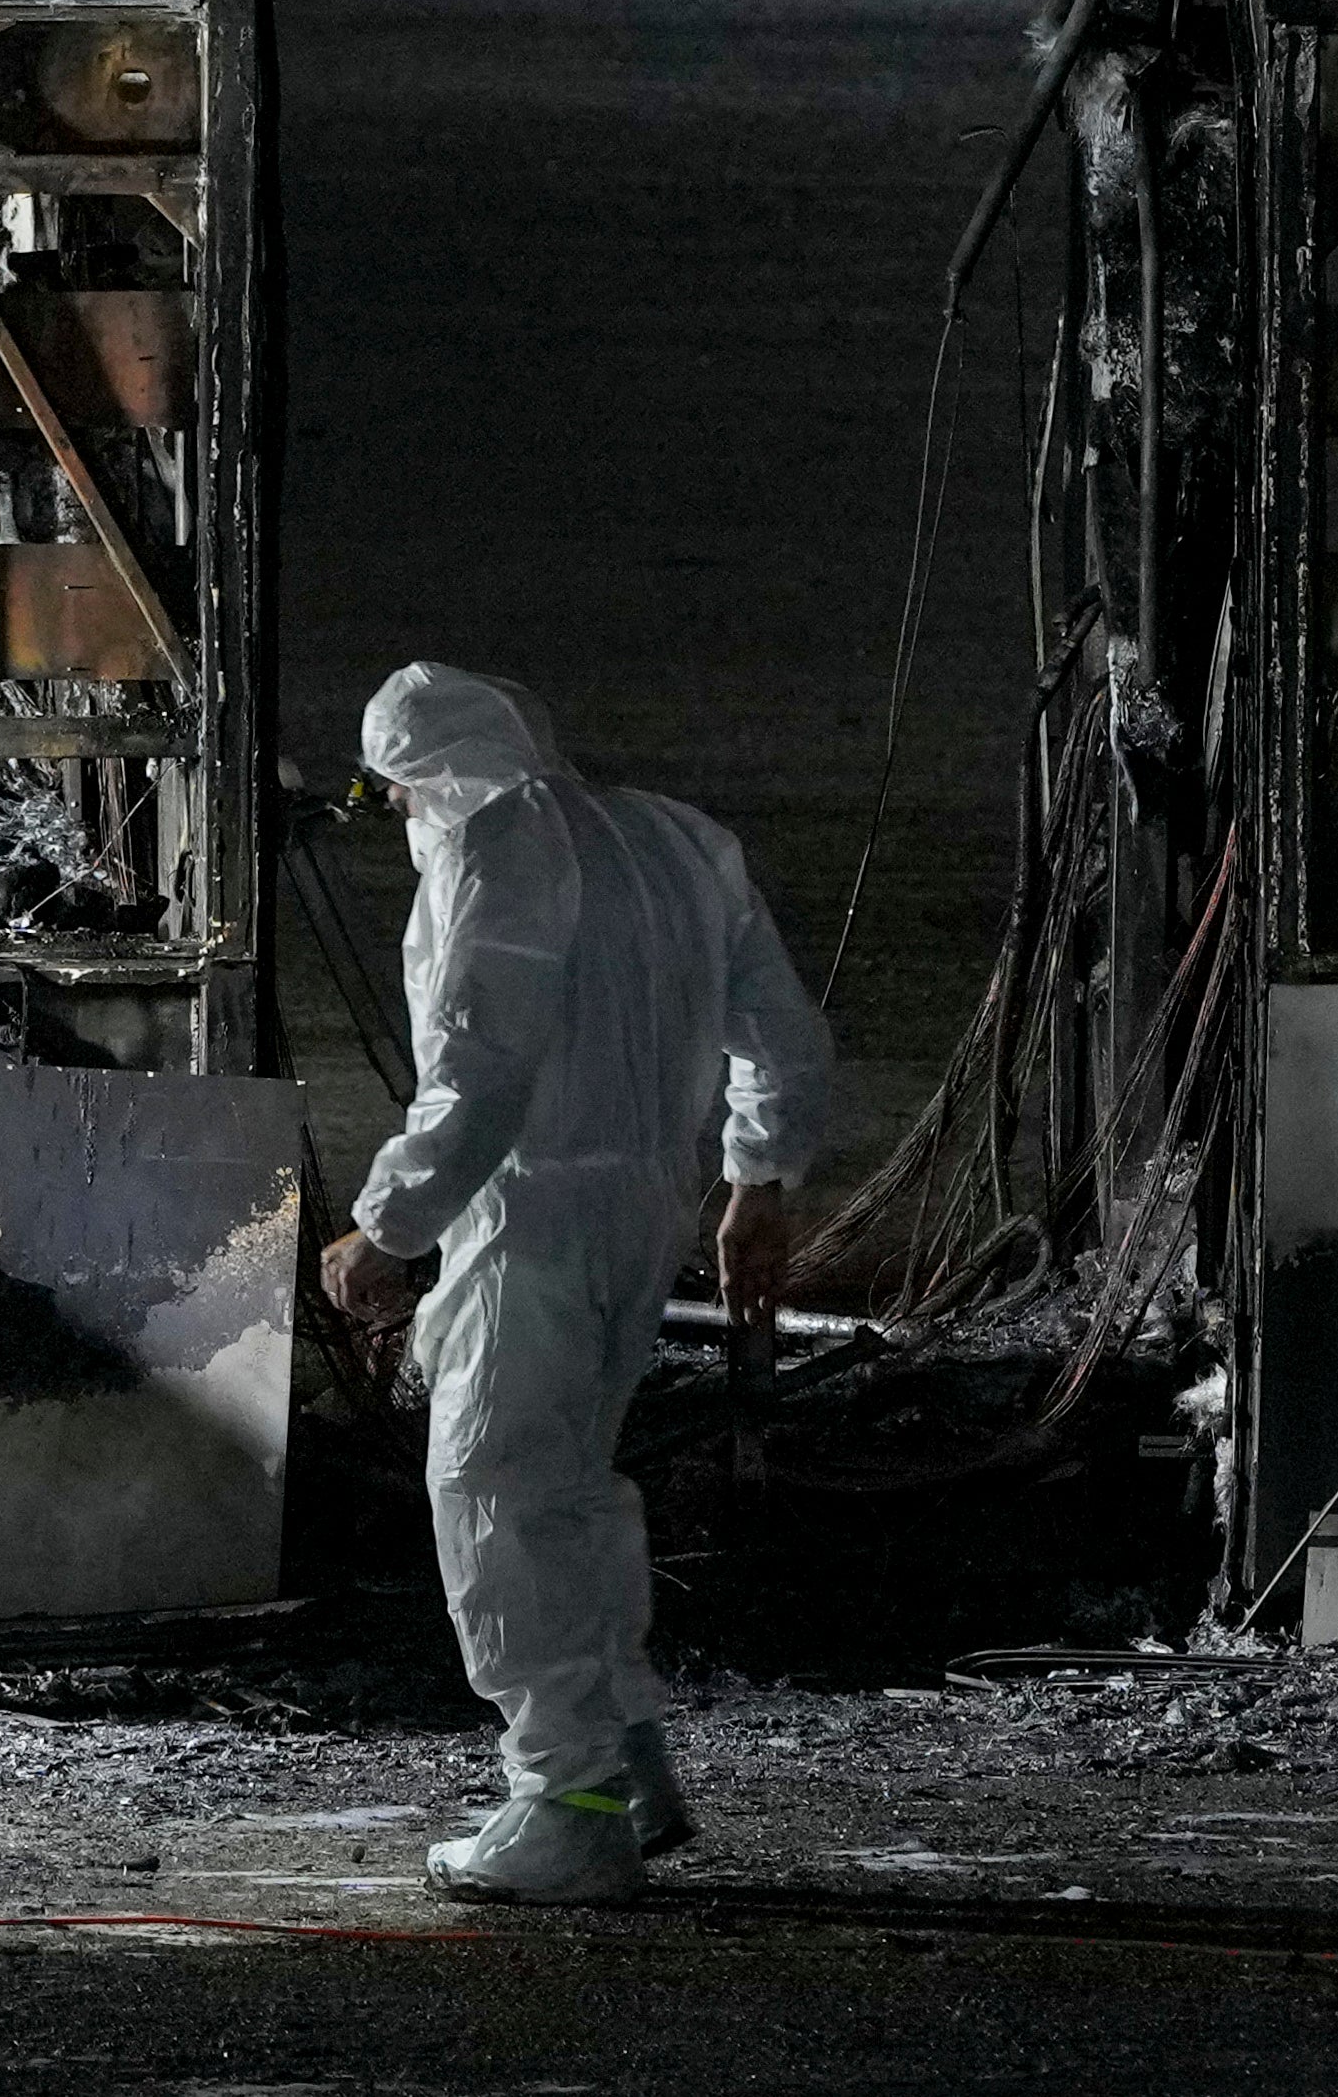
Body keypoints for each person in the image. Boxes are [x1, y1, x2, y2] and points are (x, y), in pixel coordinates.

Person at [318, 663, 831, 1907]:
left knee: (491, 1490)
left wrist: (384, 1227)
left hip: (532, 1207)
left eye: (391, 792)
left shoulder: (496, 850)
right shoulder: (673, 836)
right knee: (572, 1489)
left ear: (423, 776)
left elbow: (479, 1075)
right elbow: (781, 1025)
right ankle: (632, 1764)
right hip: (647, 1205)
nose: (394, 817)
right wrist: (758, 1174)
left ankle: (569, 1803)